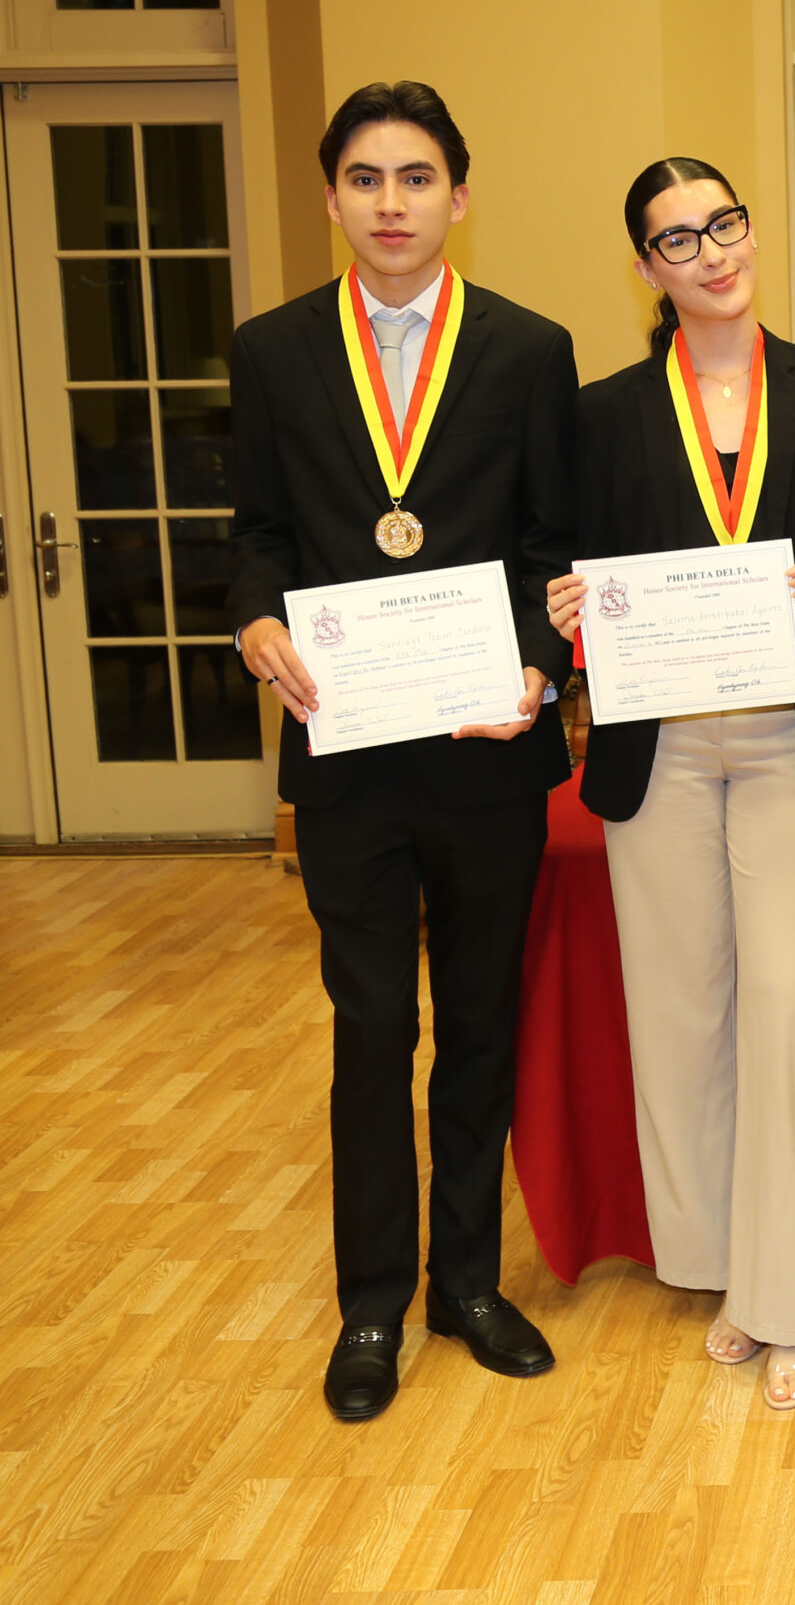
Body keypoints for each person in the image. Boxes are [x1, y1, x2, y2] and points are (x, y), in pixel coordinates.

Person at [227, 81, 576, 1421]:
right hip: (349, 757)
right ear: (332, 198)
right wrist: (258, 619)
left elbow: (550, 546)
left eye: (415, 178)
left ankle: (471, 1285)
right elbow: (258, 529)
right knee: (373, 1029)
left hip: (488, 749)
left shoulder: (526, 348)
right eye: (366, 178)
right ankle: (371, 1303)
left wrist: (543, 672)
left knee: (480, 1027)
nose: (390, 203)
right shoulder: (272, 351)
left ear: (459, 197)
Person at [541, 160, 795, 1411]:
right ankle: (721, 1265)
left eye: (723, 223)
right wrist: (566, 607)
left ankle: (791, 1292)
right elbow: (565, 565)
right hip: (660, 746)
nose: (709, 251)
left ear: (751, 231)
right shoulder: (602, 413)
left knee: (793, 1010)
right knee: (685, 1018)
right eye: (676, 238)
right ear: (646, 267)